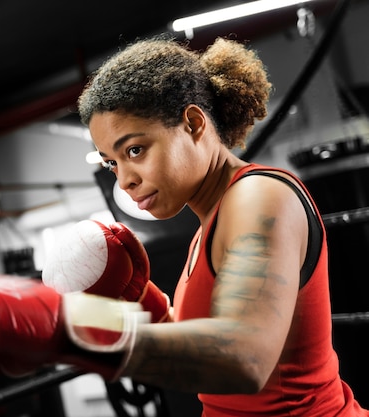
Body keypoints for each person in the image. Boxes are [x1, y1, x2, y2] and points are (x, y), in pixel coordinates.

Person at [74, 35, 369, 416]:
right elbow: (197, 357)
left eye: (135, 150)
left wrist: (69, 330)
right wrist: (137, 298)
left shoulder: (258, 196)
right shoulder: (207, 230)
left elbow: (243, 360)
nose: (124, 179)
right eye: (112, 162)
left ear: (194, 124)